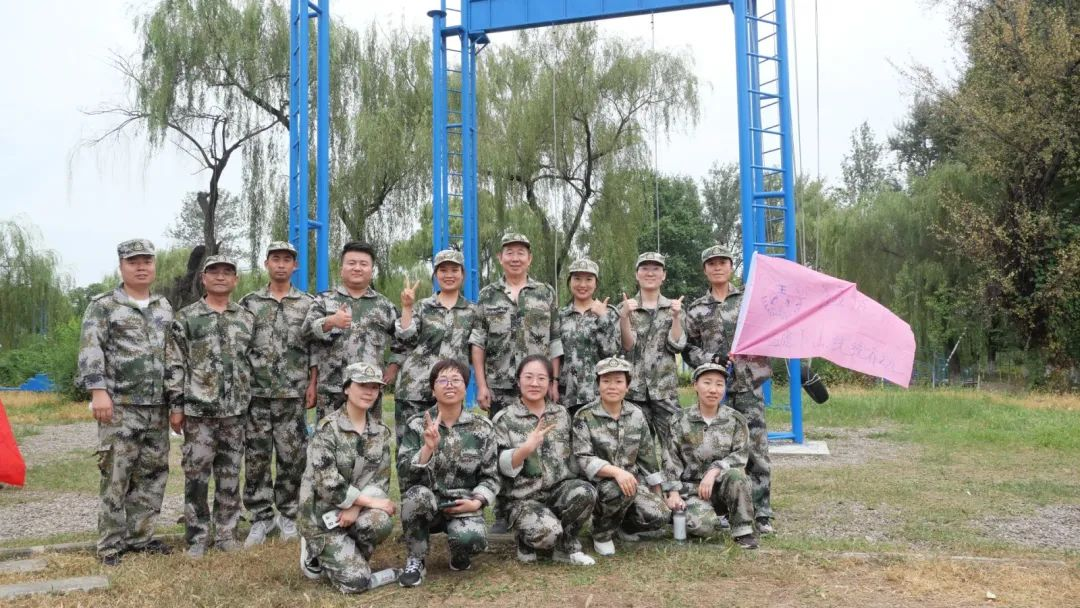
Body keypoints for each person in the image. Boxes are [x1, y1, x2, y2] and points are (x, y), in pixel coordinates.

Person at [78, 238, 174, 566]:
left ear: (154, 265)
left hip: (157, 407)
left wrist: (175, 400)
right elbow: (91, 348)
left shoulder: (163, 306)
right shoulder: (104, 305)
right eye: (134, 262)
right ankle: (109, 546)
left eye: (147, 261)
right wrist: (97, 391)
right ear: (121, 267)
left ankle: (140, 538)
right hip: (120, 405)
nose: (141, 267)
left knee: (152, 475)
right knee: (116, 475)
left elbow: (172, 354)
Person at [470, 233, 562, 532]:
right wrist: (481, 385)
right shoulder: (488, 295)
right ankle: (503, 509)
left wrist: (554, 380)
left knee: (540, 443)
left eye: (521, 252)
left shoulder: (545, 292)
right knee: (502, 448)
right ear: (500, 258)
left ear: (529, 258)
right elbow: (478, 343)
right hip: (499, 385)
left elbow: (555, 340)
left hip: (537, 384)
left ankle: (542, 501)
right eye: (509, 252)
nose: (515, 257)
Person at [165, 256, 255, 558]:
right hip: (198, 413)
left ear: (235, 280)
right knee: (197, 478)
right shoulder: (186, 317)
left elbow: (251, 362)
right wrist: (176, 406)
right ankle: (197, 536)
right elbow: (175, 364)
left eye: (227, 272)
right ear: (203, 279)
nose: (220, 277)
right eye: (214, 272)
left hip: (235, 413)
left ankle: (227, 534)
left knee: (230, 477)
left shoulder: (245, 318)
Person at [683, 245, 775, 534]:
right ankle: (722, 509)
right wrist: (711, 359)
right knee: (715, 448)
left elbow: (769, 332)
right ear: (705, 269)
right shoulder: (697, 309)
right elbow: (688, 347)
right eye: (711, 263)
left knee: (756, 449)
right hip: (715, 390)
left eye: (722, 262)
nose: (717, 267)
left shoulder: (750, 300)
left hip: (748, 385)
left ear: (731, 267)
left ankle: (761, 512)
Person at [297, 362, 399, 593]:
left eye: (375, 387)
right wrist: (365, 502)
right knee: (356, 582)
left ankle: (348, 556)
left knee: (380, 522)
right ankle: (315, 549)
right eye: (362, 385)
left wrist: (356, 507)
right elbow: (327, 483)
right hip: (321, 516)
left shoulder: (380, 432)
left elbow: (380, 481)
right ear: (346, 388)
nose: (369, 392)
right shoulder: (327, 429)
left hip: (355, 511)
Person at [239, 241, 316, 547]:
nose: (281, 264)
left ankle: (288, 514)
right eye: (276, 259)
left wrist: (312, 383)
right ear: (266, 264)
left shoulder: (308, 304)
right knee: (256, 457)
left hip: (292, 394)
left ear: (295, 266)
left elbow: (313, 350)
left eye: (287, 260)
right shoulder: (249, 303)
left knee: (292, 458)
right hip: (256, 394)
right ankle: (261, 517)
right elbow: (240, 347)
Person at [397, 359, 499, 587]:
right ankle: (416, 558)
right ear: (433, 390)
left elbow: (491, 476)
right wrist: (427, 449)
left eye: (456, 380)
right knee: (415, 496)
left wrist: (477, 502)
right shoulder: (417, 425)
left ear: (465, 387)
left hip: (462, 503)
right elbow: (404, 474)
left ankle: (459, 552)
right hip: (427, 502)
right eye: (442, 380)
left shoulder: (482, 428)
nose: (449, 385)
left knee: (472, 539)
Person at [492, 355, 597, 566]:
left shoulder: (561, 414)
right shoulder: (504, 418)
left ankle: (566, 545)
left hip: (557, 492)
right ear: (518, 380)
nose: (534, 383)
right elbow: (499, 466)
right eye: (528, 377)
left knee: (586, 492)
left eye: (541, 378)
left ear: (549, 383)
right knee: (548, 533)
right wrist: (525, 449)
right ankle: (526, 540)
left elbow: (574, 456)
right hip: (522, 499)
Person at [572, 357, 668, 557]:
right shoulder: (584, 415)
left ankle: (623, 526)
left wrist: (657, 493)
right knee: (618, 489)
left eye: (618, 381)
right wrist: (617, 472)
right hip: (597, 486)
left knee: (660, 514)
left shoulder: (637, 415)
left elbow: (648, 457)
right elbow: (583, 457)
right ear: (598, 384)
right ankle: (601, 533)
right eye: (606, 381)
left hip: (630, 484)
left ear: (627, 386)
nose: (612, 386)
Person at [303, 241, 409, 421]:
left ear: (371, 270)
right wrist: (330, 321)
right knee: (329, 436)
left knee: (369, 436)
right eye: (351, 263)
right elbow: (306, 332)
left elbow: (404, 338)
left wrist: (393, 366)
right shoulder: (324, 300)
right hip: (331, 390)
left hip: (369, 390)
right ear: (341, 269)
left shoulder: (384, 305)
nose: (357, 268)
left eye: (363, 264)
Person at [663, 363, 757, 549]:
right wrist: (673, 493)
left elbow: (740, 456)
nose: (713, 390)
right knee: (706, 528)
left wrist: (714, 470)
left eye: (719, 384)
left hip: (722, 485)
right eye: (707, 383)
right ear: (695, 385)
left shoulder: (735, 419)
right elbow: (670, 459)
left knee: (737, 476)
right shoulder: (679, 420)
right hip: (691, 490)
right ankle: (689, 515)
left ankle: (743, 530)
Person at [392, 249, 479, 443]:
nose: (449, 275)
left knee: (447, 445)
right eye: (443, 270)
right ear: (435, 275)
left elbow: (476, 350)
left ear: (463, 274)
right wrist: (407, 307)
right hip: (415, 389)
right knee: (409, 445)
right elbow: (405, 338)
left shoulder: (472, 311)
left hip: (450, 390)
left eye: (454, 270)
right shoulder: (422, 306)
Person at [618, 252, 686, 456]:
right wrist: (624, 317)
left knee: (674, 447)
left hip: (665, 391)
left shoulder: (674, 307)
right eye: (645, 268)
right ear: (636, 274)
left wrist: (676, 317)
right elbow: (627, 346)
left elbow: (677, 346)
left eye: (656, 269)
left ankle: (672, 479)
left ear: (663, 275)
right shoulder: (626, 307)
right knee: (636, 450)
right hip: (634, 391)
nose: (650, 273)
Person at [558, 258, 620, 417]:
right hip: (566, 394)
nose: (582, 284)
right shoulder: (561, 315)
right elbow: (555, 354)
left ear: (596, 283)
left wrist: (603, 318)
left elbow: (611, 351)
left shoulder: (610, 313)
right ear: (569, 281)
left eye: (588, 279)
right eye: (577, 278)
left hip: (597, 393)